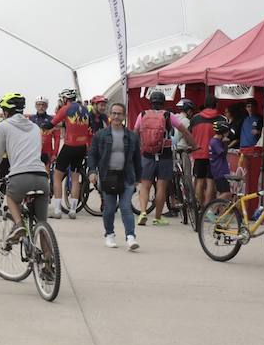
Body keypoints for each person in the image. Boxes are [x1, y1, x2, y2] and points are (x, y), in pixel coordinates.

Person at [0, 92, 48, 233]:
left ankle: (19, 226)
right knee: (42, 226)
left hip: (20, 177)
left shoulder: (3, 126)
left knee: (11, 197)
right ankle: (48, 252)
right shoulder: (35, 127)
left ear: (6, 111)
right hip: (42, 177)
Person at [133, 90, 191, 226]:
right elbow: (184, 131)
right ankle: (157, 217)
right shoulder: (168, 115)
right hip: (164, 154)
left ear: (151, 102)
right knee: (161, 187)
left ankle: (142, 213)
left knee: (145, 185)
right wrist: (194, 144)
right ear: (163, 102)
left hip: (147, 154)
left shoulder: (142, 114)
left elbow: (134, 133)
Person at [89, 102, 141, 250]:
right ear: (110, 115)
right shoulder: (101, 135)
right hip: (108, 176)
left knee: (126, 208)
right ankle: (109, 235)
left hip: (126, 177)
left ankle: (131, 237)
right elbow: (92, 154)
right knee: (110, 208)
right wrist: (92, 171)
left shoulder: (131, 136)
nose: (117, 116)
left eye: (120, 114)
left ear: (124, 116)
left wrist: (139, 179)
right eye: (114, 113)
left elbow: (137, 158)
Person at [51, 89, 92, 219]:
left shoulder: (66, 108)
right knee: (75, 178)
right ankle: (73, 210)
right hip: (82, 148)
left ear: (65, 99)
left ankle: (57, 210)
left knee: (57, 177)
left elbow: (52, 123)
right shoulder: (85, 109)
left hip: (69, 146)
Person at [188, 97, 226, 211]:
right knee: (210, 183)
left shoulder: (195, 118)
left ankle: (199, 206)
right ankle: (207, 209)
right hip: (213, 155)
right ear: (216, 104)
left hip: (198, 153)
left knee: (199, 181)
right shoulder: (221, 118)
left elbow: (190, 134)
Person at [208, 121, 234, 202]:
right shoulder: (215, 142)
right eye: (227, 131)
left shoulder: (215, 141)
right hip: (220, 171)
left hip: (218, 170)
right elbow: (223, 153)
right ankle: (212, 208)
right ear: (223, 132)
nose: (228, 133)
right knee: (227, 194)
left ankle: (219, 212)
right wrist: (226, 143)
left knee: (221, 193)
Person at [30, 97, 59, 169]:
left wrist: (55, 154)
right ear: (35, 106)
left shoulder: (52, 120)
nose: (41, 107)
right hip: (33, 152)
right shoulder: (30, 119)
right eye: (39, 104)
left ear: (47, 106)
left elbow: (57, 138)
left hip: (47, 153)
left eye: (43, 105)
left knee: (46, 176)